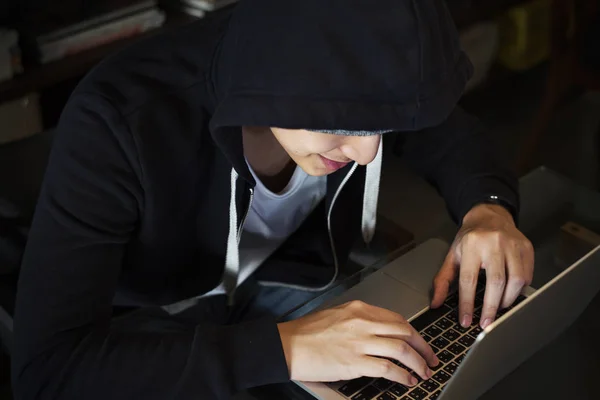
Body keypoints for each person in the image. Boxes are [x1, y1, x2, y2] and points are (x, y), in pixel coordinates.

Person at [11, 0, 534, 399]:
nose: (367, 151)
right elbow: (50, 369)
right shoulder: (118, 119)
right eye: (342, 123)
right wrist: (286, 349)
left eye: (384, 125)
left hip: (287, 281)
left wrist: (487, 208)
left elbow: (446, 132)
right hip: (146, 325)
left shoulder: (345, 61)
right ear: (269, 82)